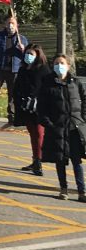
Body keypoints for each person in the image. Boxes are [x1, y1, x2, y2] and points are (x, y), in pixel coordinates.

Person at [38, 54, 86, 201]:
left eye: (62, 63)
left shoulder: (76, 83)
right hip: (57, 128)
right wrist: (49, 124)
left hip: (74, 128)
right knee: (60, 160)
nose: (59, 66)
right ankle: (63, 189)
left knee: (76, 161)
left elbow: (84, 101)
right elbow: (42, 107)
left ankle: (81, 191)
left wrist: (83, 119)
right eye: (56, 63)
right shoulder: (48, 83)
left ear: (68, 65)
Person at [13, 44, 49, 176]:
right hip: (26, 107)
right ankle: (35, 159)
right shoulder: (23, 69)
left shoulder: (43, 70)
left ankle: (39, 162)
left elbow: (47, 89)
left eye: (32, 54)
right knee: (33, 134)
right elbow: (17, 88)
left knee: (39, 134)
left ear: (38, 56)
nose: (28, 56)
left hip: (39, 108)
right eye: (27, 53)